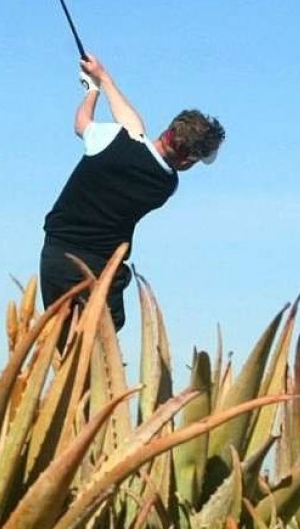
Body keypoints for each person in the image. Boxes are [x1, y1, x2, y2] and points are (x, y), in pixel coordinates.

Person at [40, 53, 224, 330]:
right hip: (102, 270)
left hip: (57, 256)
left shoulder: (111, 140)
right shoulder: (165, 185)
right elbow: (135, 131)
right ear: (187, 161)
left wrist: (93, 90)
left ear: (169, 130)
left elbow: (83, 123)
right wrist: (103, 78)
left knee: (61, 339)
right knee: (101, 342)